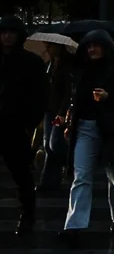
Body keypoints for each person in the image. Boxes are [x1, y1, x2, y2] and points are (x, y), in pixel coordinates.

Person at [58, 30, 114, 248]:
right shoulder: (81, 69)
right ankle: (74, 225)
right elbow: (75, 98)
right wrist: (69, 120)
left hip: (112, 128)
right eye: (89, 46)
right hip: (85, 126)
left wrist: (109, 96)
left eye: (96, 45)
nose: (92, 49)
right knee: (81, 175)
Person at [0, 16, 47, 235]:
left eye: (12, 32)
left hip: (16, 126)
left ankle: (27, 215)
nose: (7, 36)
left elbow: (40, 95)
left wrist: (30, 122)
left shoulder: (31, 62)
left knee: (22, 175)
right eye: (3, 32)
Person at [39, 42, 73, 192]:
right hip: (49, 109)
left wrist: (62, 112)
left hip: (59, 110)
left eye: (50, 46)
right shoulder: (50, 64)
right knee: (48, 145)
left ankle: (69, 164)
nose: (47, 49)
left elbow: (68, 92)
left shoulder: (67, 65)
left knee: (54, 144)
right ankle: (48, 181)